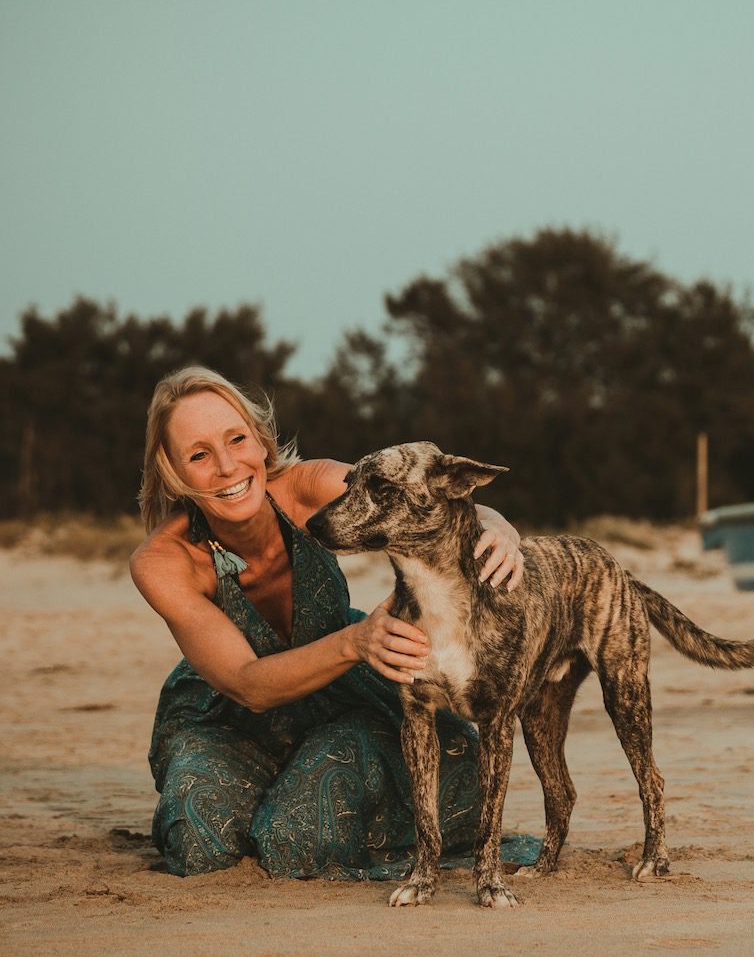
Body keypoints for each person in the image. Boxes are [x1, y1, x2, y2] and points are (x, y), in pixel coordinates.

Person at [130, 366, 528, 879]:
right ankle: (267, 799)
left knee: (445, 776)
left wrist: (498, 525)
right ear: (171, 470)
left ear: (260, 440)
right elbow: (248, 685)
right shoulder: (162, 561)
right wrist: (357, 642)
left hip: (349, 696)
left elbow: (420, 494)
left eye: (237, 439)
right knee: (198, 843)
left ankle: (297, 802)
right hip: (231, 717)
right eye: (199, 455)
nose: (228, 467)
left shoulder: (306, 486)